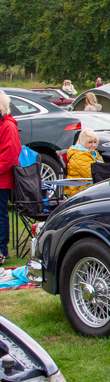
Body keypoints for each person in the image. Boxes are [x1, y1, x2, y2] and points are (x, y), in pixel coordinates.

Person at [0, 91, 21, 264]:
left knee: (0, 215)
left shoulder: (8, 126)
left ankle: (2, 250)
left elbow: (10, 156)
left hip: (2, 179)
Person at [64, 128, 104, 197]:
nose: (93, 145)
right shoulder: (78, 155)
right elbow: (91, 174)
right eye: (90, 142)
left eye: (95, 142)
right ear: (83, 142)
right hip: (80, 187)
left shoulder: (93, 153)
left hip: (89, 183)